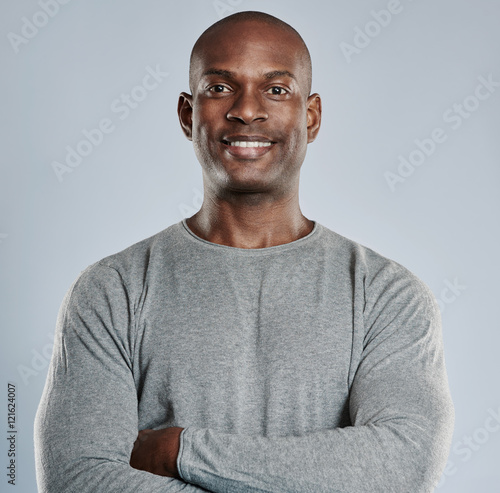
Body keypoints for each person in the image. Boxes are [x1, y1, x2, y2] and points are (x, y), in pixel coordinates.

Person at [34, 10, 454, 493]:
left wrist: (183, 451)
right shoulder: (111, 291)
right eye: (219, 88)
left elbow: (402, 467)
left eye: (276, 90)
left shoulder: (388, 296)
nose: (247, 110)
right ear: (187, 114)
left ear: (310, 116)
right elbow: (78, 480)